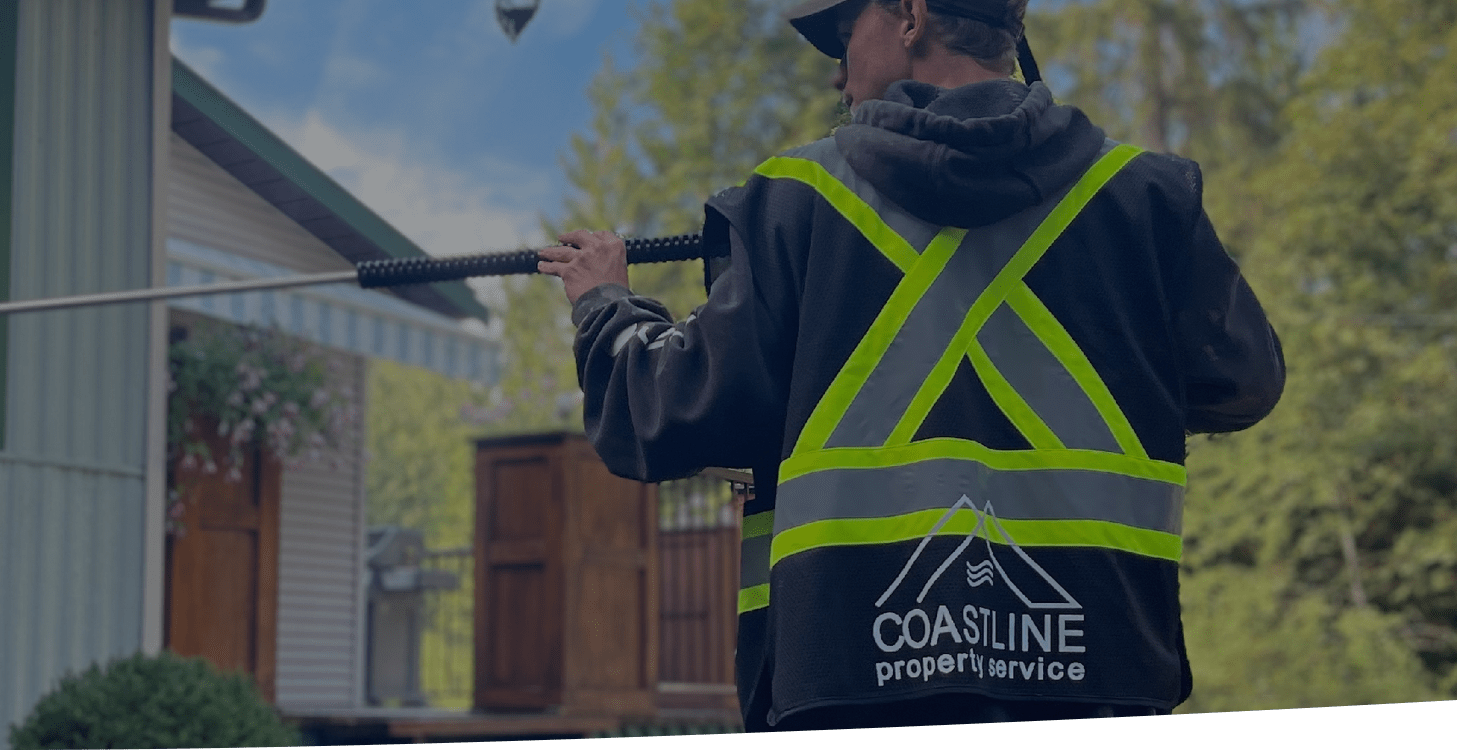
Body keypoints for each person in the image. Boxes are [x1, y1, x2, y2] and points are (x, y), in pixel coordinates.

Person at [533, 0, 1285, 733]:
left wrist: (605, 304)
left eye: (840, 36)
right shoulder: (1144, 197)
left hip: (850, 679)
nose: (837, 76)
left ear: (911, 15)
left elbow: (658, 415)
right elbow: (1240, 379)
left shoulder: (799, 204)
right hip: (1101, 671)